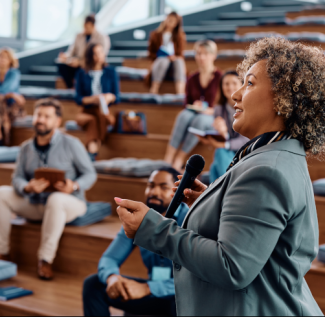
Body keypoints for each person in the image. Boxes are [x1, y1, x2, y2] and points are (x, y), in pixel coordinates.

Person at [115, 37, 325, 316]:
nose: (235, 95)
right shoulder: (278, 157)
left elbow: (231, 267)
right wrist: (212, 206)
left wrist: (152, 229)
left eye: (249, 83)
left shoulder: (267, 170)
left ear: (283, 99)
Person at [0, 98, 97, 280]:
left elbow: (90, 174)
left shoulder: (72, 143)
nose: (41, 120)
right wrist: (27, 187)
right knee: (1, 193)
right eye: (38, 115)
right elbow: (17, 179)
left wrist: (73, 185)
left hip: (70, 202)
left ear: (57, 121)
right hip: (36, 204)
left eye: (47, 116)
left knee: (56, 198)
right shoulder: (25, 148)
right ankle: (3, 254)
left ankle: (45, 259)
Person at [83, 167, 189, 316]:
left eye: (163, 187)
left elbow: (195, 282)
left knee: (180, 303)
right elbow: (110, 258)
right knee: (93, 285)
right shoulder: (137, 220)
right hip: (153, 291)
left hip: (181, 297)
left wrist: (147, 288)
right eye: (151, 185)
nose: (154, 192)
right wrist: (112, 278)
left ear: (177, 193)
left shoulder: (190, 220)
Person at [164, 40, 222, 171]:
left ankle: (179, 158)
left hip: (211, 116)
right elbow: (186, 103)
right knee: (183, 116)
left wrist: (211, 110)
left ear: (213, 55)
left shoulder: (220, 77)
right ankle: (168, 158)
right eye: (199, 53)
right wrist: (194, 105)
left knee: (200, 120)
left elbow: (224, 105)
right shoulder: (192, 78)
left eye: (206, 53)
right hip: (194, 113)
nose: (201, 57)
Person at [197, 71, 248, 183]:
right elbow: (223, 138)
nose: (230, 87)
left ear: (241, 85)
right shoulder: (219, 109)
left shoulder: (247, 108)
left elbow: (246, 140)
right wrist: (222, 134)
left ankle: (229, 187)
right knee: (214, 167)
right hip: (227, 154)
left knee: (219, 153)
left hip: (243, 153)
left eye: (234, 83)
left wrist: (223, 144)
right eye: (226, 84)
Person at [75, 43, 120, 161]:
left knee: (98, 117)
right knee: (92, 120)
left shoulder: (111, 71)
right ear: (90, 56)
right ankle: (94, 150)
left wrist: (109, 97)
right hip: (86, 111)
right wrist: (93, 99)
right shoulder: (82, 73)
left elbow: (117, 97)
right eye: (96, 53)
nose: (100, 55)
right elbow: (78, 99)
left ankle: (92, 153)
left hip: (103, 110)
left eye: (101, 52)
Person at [57, 14, 111, 89]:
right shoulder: (79, 36)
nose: (85, 29)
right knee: (61, 65)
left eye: (88, 27)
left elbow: (101, 56)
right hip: (77, 63)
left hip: (92, 64)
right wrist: (67, 58)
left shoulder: (102, 37)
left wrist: (81, 62)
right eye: (84, 27)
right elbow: (71, 52)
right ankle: (71, 87)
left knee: (84, 70)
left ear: (93, 26)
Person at [148, 12, 186, 95]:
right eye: (168, 19)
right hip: (160, 61)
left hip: (174, 63)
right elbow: (151, 53)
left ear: (176, 24)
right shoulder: (155, 35)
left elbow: (180, 54)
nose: (170, 22)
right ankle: (154, 89)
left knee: (179, 61)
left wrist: (173, 57)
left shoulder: (180, 36)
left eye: (173, 21)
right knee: (164, 60)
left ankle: (180, 92)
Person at [0, 48, 26, 145]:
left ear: (10, 60)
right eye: (0, 57)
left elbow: (6, 89)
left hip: (12, 108)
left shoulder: (14, 73)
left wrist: (9, 94)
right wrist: (11, 95)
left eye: (5, 57)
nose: (2, 59)